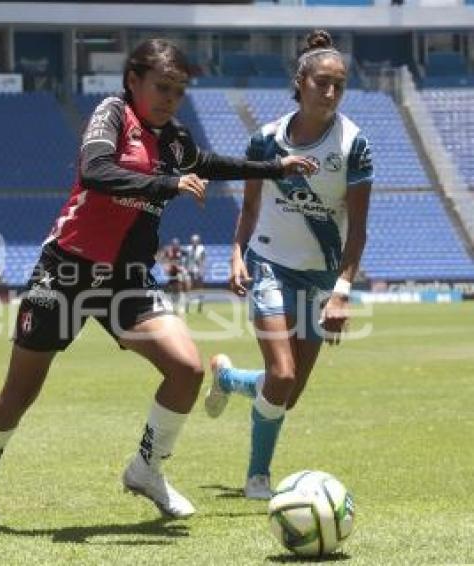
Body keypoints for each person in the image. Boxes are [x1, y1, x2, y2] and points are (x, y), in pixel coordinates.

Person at [0, 38, 316, 529]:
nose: (170, 99)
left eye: (178, 90)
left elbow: (207, 163)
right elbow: (96, 171)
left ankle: (146, 469)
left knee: (187, 369)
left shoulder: (173, 139)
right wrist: (165, 184)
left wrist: (274, 168)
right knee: (18, 395)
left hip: (127, 279)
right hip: (67, 269)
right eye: (162, 87)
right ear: (133, 81)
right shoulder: (113, 114)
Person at [204, 30, 373, 500]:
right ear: (300, 81)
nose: (332, 92)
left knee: (289, 392)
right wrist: (237, 253)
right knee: (281, 376)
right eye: (323, 82)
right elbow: (251, 208)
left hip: (321, 278)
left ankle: (227, 377)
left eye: (340, 84)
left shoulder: (355, 144)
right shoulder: (266, 140)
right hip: (271, 265)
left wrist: (341, 291)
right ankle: (258, 477)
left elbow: (358, 229)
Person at [159, 237, 187, 313]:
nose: (175, 246)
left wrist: (183, 268)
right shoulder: (168, 251)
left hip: (179, 272)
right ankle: (169, 304)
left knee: (179, 288)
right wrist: (165, 266)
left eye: (177, 244)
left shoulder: (181, 251)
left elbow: (186, 259)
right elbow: (162, 259)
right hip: (171, 272)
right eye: (174, 244)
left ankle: (180, 305)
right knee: (170, 288)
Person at [183, 233, 206, 313]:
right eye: (193, 241)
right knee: (188, 289)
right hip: (190, 272)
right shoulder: (188, 249)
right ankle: (187, 307)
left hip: (198, 272)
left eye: (196, 241)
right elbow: (185, 261)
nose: (194, 242)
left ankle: (200, 307)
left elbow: (203, 260)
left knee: (200, 289)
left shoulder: (201, 249)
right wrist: (185, 270)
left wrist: (201, 271)